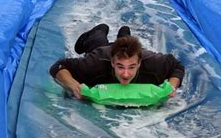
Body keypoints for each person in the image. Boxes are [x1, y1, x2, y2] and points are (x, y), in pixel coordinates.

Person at [49, 24, 185, 100]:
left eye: (131, 67)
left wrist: (172, 85)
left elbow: (176, 66)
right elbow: (59, 66)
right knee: (98, 42)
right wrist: (73, 86)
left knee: (126, 44)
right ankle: (101, 29)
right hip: (102, 50)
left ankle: (125, 34)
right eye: (120, 67)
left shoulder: (153, 63)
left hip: (130, 52)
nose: (126, 74)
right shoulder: (95, 63)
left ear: (139, 63)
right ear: (113, 63)